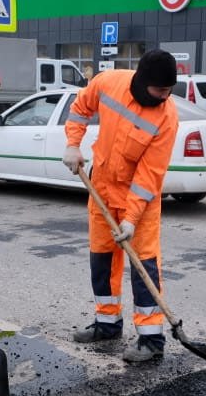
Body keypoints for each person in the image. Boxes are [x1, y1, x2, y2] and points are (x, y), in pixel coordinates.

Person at [62, 49, 179, 363]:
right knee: (101, 259)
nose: (165, 96)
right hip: (101, 188)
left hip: (139, 199)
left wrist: (131, 218)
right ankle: (107, 323)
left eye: (169, 90)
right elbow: (80, 108)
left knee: (144, 265)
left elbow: (150, 174)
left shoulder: (166, 117)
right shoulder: (108, 83)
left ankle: (151, 339)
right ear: (142, 81)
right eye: (160, 90)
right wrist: (72, 144)